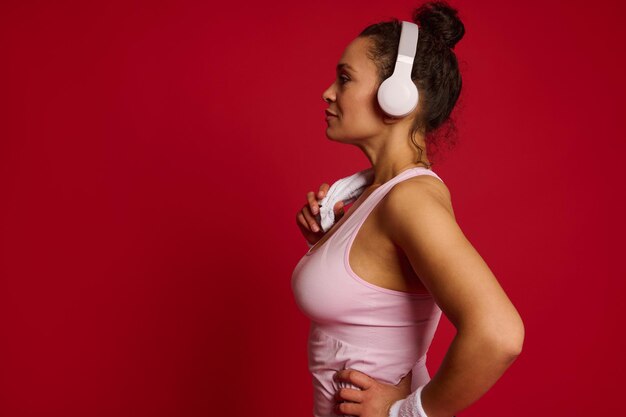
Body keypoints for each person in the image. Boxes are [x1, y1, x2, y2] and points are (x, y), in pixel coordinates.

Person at [291, 2, 525, 417]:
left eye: (345, 79)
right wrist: (328, 244)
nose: (328, 91)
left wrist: (408, 412)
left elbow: (499, 334)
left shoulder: (410, 199)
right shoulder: (376, 195)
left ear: (397, 97)